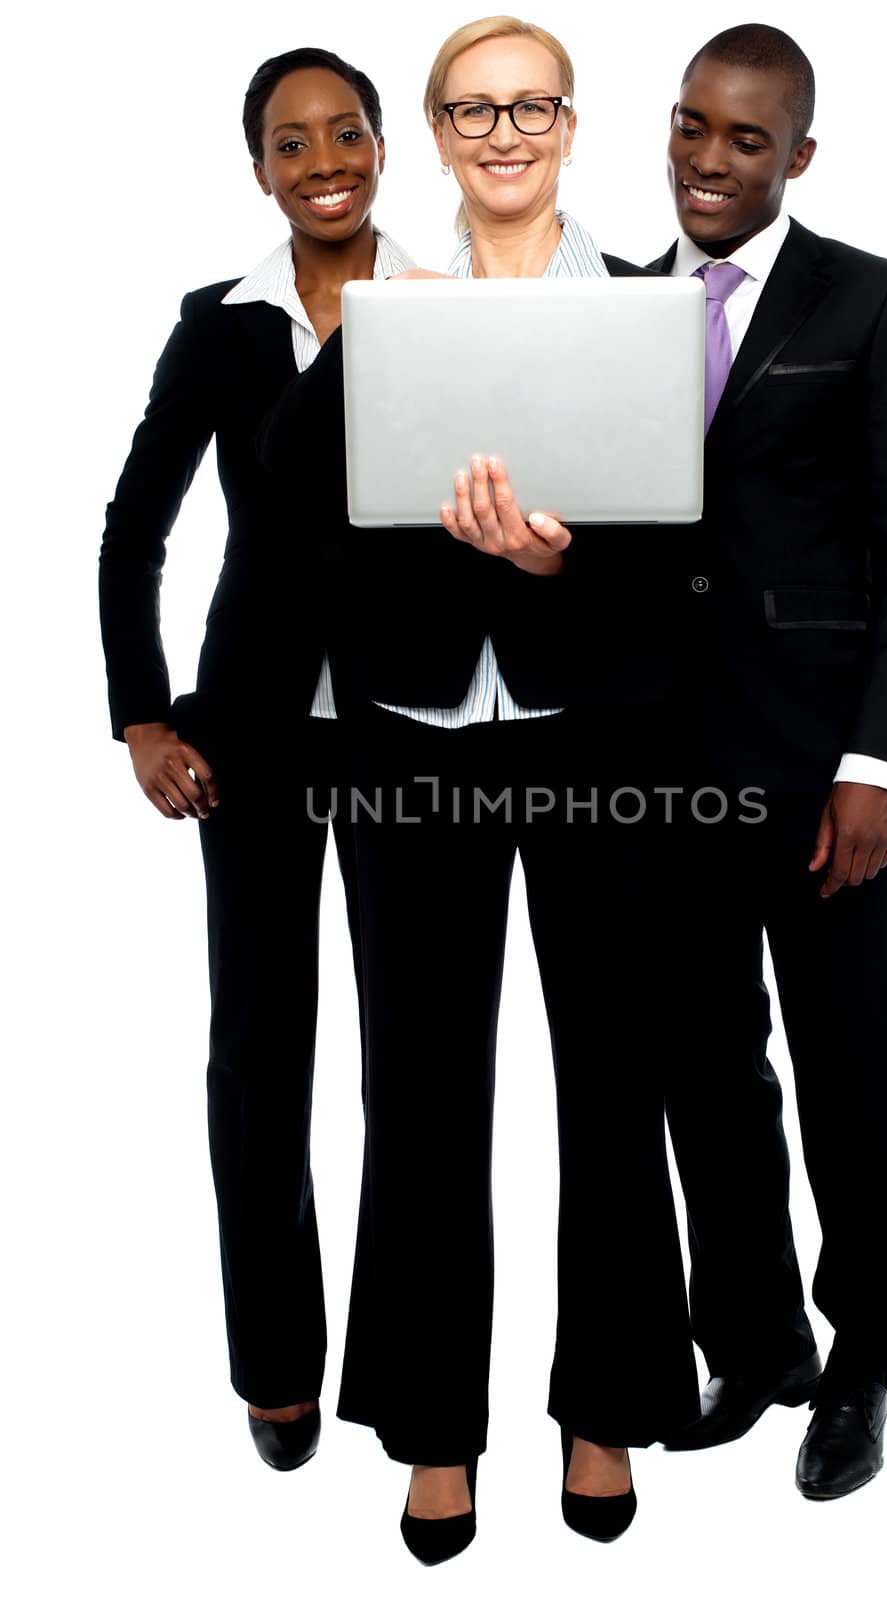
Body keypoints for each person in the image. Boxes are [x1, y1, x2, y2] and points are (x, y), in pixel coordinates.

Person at [259, 14, 699, 1565]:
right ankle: (433, 1429)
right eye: (470, 109)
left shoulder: (653, 312)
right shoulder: (381, 313)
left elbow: (688, 566)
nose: (503, 131)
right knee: (422, 1095)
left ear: (572, 126)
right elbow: (294, 535)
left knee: (612, 1080)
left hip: (604, 739)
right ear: (436, 135)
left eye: (532, 106)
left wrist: (560, 563)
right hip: (406, 734)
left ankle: (607, 1401)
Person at [643, 24, 887, 1498]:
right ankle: (754, 1340)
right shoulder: (613, 307)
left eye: (746, 140)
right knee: (704, 1075)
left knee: (847, 1080)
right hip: (663, 774)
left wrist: (878, 761)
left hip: (820, 766)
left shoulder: (874, 301)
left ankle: (862, 1364)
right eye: (694, 128)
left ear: (798, 156)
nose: (711, 161)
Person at [98, 48, 416, 1473]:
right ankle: (275, 1359)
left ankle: (414, 1376)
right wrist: (141, 712)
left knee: (415, 1067)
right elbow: (133, 529)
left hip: (417, 728)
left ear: (380, 148)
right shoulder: (216, 328)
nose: (324, 158)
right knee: (259, 1057)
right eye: (291, 143)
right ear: (261, 173)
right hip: (256, 732)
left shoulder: (449, 307)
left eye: (344, 131)